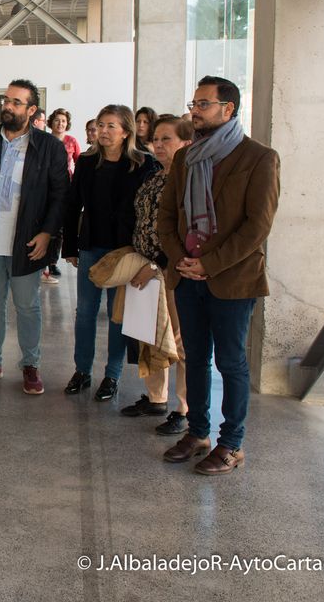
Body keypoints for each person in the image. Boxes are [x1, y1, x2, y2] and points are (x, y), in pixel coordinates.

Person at [158, 76, 280, 475]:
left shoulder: (259, 158)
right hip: (187, 274)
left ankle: (232, 444)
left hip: (231, 278)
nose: (195, 111)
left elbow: (256, 227)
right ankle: (198, 432)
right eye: (193, 103)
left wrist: (209, 264)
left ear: (228, 109)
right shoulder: (185, 158)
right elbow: (167, 217)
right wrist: (181, 259)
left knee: (230, 362)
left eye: (204, 104)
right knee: (194, 357)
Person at [0, 80, 68, 395]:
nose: (8, 106)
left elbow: (60, 196)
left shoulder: (49, 147)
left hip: (27, 242)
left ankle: (30, 365)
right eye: (7, 100)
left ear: (32, 110)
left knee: (27, 306)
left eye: (17, 102)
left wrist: (48, 233)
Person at [61, 104, 159, 399]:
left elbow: (150, 212)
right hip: (92, 246)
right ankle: (82, 371)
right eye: (101, 125)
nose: (103, 131)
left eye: (110, 126)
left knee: (118, 316)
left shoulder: (143, 164)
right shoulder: (88, 162)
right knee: (85, 313)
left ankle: (112, 375)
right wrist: (70, 247)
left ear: (126, 131)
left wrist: (150, 256)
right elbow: (71, 205)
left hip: (126, 251)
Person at [120, 115, 193, 434]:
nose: (159, 145)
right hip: (145, 268)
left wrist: (157, 265)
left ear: (186, 143)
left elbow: (185, 230)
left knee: (180, 340)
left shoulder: (189, 179)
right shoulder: (154, 176)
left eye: (168, 139)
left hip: (171, 270)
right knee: (150, 336)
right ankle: (156, 398)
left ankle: (185, 408)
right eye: (156, 139)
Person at [44, 107, 82, 282]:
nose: (60, 123)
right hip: (44, 187)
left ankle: (52, 261)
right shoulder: (44, 140)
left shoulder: (71, 141)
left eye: (64, 121)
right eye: (58, 120)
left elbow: (79, 163)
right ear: (51, 122)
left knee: (59, 227)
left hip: (64, 187)